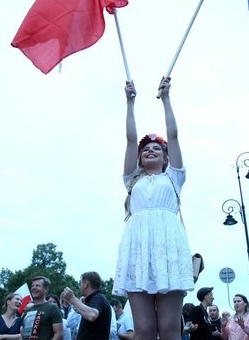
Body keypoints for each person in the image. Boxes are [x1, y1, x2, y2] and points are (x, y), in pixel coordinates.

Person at [113, 77, 193, 340]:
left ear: (165, 156)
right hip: (138, 248)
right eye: (146, 149)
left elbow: (173, 134)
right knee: (144, 330)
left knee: (170, 330)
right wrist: (129, 102)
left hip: (168, 248)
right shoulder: (132, 180)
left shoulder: (174, 177)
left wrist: (166, 98)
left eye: (156, 148)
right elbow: (129, 139)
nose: (150, 150)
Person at [63, 271, 112, 340]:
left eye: (81, 282)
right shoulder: (94, 299)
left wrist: (72, 299)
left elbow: (92, 315)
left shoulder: (98, 298)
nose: (80, 286)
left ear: (86, 284)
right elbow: (69, 323)